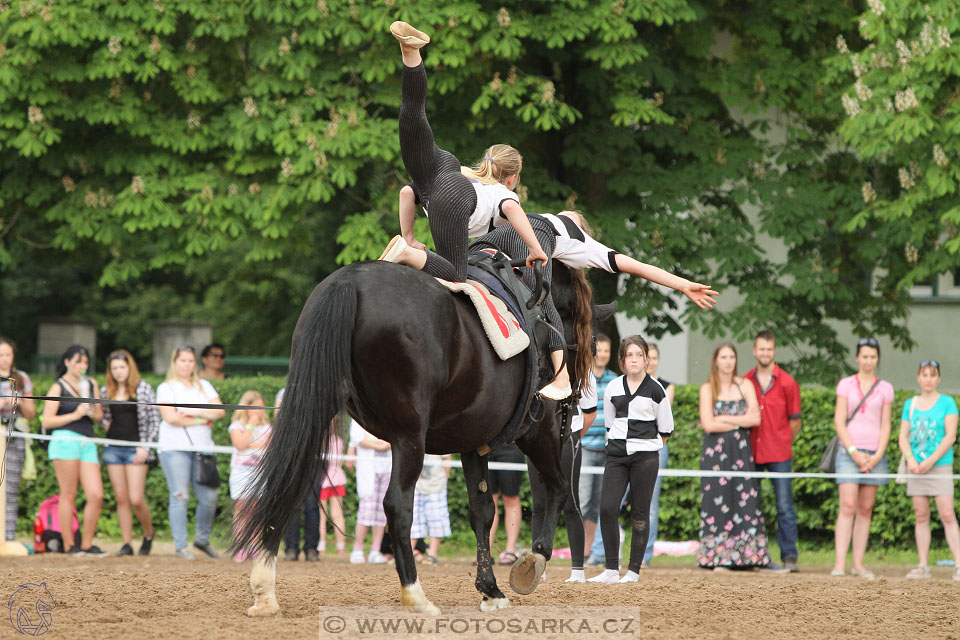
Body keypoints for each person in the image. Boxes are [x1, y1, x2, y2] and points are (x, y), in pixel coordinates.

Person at [589, 336, 673, 584]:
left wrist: (645, 448)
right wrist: (620, 445)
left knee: (640, 513)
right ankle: (611, 570)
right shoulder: (613, 387)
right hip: (616, 456)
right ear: (622, 359)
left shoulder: (657, 389)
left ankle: (633, 571)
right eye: (629, 355)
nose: (634, 359)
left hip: (645, 459)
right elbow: (609, 422)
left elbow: (665, 430)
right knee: (607, 508)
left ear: (647, 359)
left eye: (639, 355)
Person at [696, 342, 782, 572]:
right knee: (717, 501)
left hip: (741, 453)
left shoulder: (745, 385)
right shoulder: (707, 389)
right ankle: (718, 557)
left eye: (731, 356)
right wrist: (736, 421)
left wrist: (723, 419)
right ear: (716, 360)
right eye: (723, 357)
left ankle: (749, 556)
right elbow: (708, 425)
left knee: (746, 502)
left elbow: (755, 420)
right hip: (715, 455)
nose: (728, 361)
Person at [831, 337, 894, 580]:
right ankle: (839, 563)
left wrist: (877, 454)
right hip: (849, 454)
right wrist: (854, 452)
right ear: (857, 357)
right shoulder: (845, 384)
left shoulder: (885, 388)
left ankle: (858, 563)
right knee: (847, 506)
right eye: (865, 356)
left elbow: (886, 425)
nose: (869, 361)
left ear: (877, 359)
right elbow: (839, 420)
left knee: (866, 509)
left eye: (873, 357)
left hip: (875, 455)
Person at [156, 346, 225, 559]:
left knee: (209, 498)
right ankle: (180, 545)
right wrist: (202, 419)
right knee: (180, 495)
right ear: (174, 363)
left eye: (190, 361)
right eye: (183, 360)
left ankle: (202, 539)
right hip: (174, 448)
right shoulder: (166, 388)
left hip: (203, 449)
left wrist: (189, 411)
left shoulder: (204, 386)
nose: (187, 364)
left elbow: (220, 411)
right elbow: (171, 418)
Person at [39, 344, 107, 556]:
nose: (82, 366)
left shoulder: (91, 384)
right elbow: (47, 420)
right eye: (78, 361)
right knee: (68, 494)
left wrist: (93, 410)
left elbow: (99, 416)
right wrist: (75, 414)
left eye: (85, 362)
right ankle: (69, 545)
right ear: (68, 362)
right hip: (65, 440)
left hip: (87, 441)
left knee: (96, 494)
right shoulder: (58, 387)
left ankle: (87, 544)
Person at [530, 372, 597, 582]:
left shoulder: (581, 369)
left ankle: (578, 569)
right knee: (539, 503)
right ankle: (538, 568)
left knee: (570, 502)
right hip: (536, 437)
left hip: (568, 435)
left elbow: (590, 412)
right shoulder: (536, 362)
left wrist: (574, 436)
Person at [744, 331, 802, 572]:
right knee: (750, 507)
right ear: (754, 351)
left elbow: (795, 421)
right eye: (761, 349)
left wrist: (782, 440)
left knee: (784, 506)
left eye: (769, 349)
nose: (765, 353)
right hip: (752, 451)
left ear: (774, 351)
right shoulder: (745, 380)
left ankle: (789, 556)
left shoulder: (788, 382)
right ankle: (752, 556)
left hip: (779, 453)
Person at [897, 360, 960, 581]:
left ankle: (959, 564)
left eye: (933, 375)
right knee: (921, 516)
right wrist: (911, 460)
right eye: (924, 375)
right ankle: (923, 564)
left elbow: (950, 436)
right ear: (918, 377)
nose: (928, 379)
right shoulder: (910, 404)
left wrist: (931, 461)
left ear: (939, 378)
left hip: (940, 466)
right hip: (916, 468)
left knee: (947, 514)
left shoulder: (947, 402)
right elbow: (902, 436)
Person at [100, 349, 160, 556]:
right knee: (121, 498)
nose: (118, 371)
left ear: (129, 367)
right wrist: (105, 424)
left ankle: (148, 532)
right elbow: (103, 416)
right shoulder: (105, 390)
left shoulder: (143, 389)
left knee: (136, 498)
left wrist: (146, 447)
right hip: (113, 447)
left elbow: (154, 422)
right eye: (114, 368)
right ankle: (126, 543)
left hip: (137, 448)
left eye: (122, 367)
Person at [583, 334, 618, 567]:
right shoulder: (582, 377)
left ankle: (593, 552)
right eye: (599, 350)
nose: (602, 354)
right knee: (583, 501)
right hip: (585, 446)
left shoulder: (615, 380)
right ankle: (583, 550)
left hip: (608, 449)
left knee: (601, 503)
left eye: (606, 350)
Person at [276, 388, 321, 562]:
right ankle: (291, 548)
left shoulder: (316, 393)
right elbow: (278, 421)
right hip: (289, 456)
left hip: (311, 456)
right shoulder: (284, 393)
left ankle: (311, 548)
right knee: (291, 503)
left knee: (311, 504)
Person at [641, 342, 675, 568]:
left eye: (654, 358)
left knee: (650, 505)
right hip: (630, 445)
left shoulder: (666, 386)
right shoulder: (627, 384)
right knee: (613, 501)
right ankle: (602, 552)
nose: (650, 361)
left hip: (656, 446)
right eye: (647, 357)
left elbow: (659, 419)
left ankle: (644, 556)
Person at [228, 390, 272, 562]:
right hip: (241, 471)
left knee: (255, 510)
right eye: (255, 408)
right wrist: (251, 426)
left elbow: (268, 445)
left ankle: (254, 544)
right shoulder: (236, 426)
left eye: (261, 408)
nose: (259, 411)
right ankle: (240, 544)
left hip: (259, 472)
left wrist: (250, 444)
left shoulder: (267, 426)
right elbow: (240, 444)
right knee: (241, 508)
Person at [0, 337, 36, 543]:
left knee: (11, 488)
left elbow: (31, 414)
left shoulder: (22, 378)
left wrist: (19, 401)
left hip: (16, 435)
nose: (4, 359)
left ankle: (9, 536)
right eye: (1, 354)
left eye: (8, 354)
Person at [349, 419, 391, 564]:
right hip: (368, 469)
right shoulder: (359, 415)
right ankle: (358, 549)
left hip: (387, 468)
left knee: (381, 511)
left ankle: (375, 549)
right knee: (366, 509)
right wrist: (379, 446)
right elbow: (358, 438)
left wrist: (387, 444)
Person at [409, 454, 452, 564]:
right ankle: (408, 554)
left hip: (436, 485)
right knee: (413, 520)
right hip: (417, 485)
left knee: (437, 519)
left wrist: (444, 481)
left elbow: (447, 459)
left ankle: (432, 554)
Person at [487, 442, 525, 565]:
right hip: (486, 447)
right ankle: (485, 550)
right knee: (488, 500)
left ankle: (510, 549)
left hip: (511, 447)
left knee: (511, 498)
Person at [318, 423, 347, 555]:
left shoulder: (319, 441)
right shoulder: (339, 441)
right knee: (338, 515)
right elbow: (340, 461)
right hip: (337, 477)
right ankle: (341, 546)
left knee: (321, 516)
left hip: (323, 478)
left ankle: (321, 546)